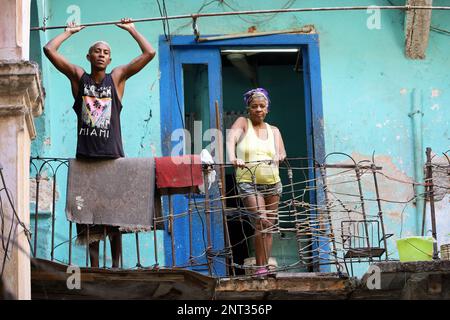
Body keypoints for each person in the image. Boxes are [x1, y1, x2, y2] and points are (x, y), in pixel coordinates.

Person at [43, 18, 156, 268]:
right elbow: (49, 50)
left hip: (113, 158)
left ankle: (115, 266)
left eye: (106, 52)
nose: (101, 55)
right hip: (86, 160)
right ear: (89, 56)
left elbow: (149, 52)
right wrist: (68, 32)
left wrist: (132, 30)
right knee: (89, 216)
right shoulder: (79, 78)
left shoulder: (116, 79)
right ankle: (95, 269)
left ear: (110, 59)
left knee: (114, 216)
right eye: (97, 51)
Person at [227, 88, 286, 276]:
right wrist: (233, 158)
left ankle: (265, 266)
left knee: (269, 226)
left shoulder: (274, 130)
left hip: (273, 183)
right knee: (261, 222)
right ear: (248, 109)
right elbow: (230, 139)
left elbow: (282, 153)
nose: (258, 109)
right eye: (254, 106)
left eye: (262, 106)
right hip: (248, 182)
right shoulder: (243, 123)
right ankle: (261, 268)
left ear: (267, 109)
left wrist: (278, 156)